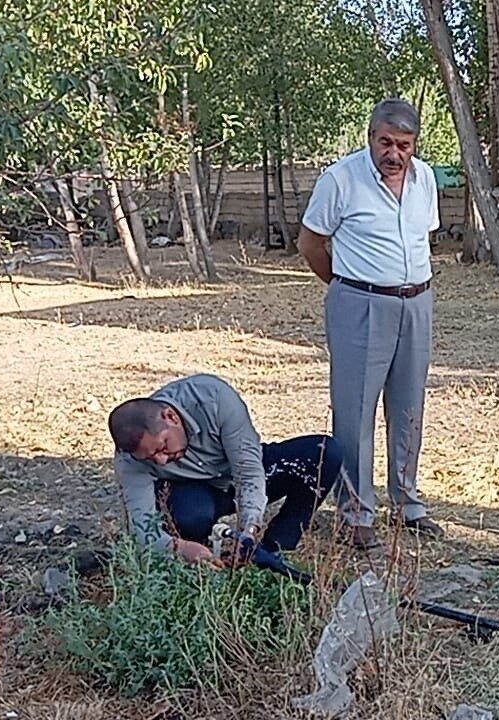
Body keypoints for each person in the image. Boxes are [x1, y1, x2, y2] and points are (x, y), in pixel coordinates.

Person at [296, 98, 444, 550]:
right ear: (370, 137)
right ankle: (356, 513)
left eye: (404, 144)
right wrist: (348, 287)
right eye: (385, 142)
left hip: (416, 302)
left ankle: (407, 504)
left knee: (408, 408)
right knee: (356, 410)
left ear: (414, 144)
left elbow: (423, 238)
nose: (394, 153)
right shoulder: (340, 179)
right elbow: (310, 243)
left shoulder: (426, 180)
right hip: (360, 304)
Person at [108, 373, 342, 564]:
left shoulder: (213, 397)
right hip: (192, 494)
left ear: (171, 417)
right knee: (189, 517)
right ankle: (202, 560)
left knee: (323, 454)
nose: (160, 461)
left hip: (235, 470)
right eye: (150, 458)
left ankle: (273, 549)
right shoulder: (129, 460)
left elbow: (249, 473)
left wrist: (248, 529)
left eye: (163, 447)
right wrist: (180, 548)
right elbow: (142, 531)